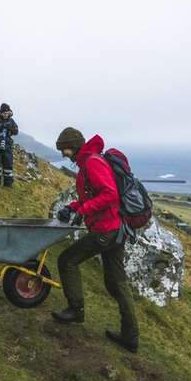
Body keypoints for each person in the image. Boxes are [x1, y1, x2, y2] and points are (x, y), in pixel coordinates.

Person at [52, 127, 139, 353]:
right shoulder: (87, 164)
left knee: (67, 260)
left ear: (75, 146)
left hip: (106, 230)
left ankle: (75, 310)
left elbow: (110, 194)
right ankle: (130, 336)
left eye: (65, 149)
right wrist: (72, 208)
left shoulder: (92, 163)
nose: (64, 154)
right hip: (112, 228)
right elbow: (90, 196)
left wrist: (84, 210)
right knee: (116, 282)